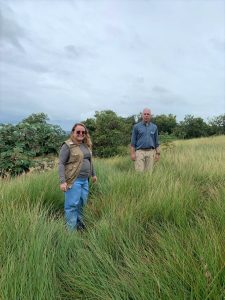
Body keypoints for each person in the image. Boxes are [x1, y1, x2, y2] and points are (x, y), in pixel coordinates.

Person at [58, 123, 97, 230]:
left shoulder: (85, 145)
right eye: (78, 132)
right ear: (73, 132)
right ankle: (71, 230)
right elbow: (61, 163)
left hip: (85, 181)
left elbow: (90, 160)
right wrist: (62, 181)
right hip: (73, 181)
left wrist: (93, 174)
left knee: (82, 204)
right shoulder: (67, 145)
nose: (81, 134)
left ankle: (80, 226)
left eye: (83, 132)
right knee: (72, 205)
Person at [130, 108, 160, 172]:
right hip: (140, 152)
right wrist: (132, 153)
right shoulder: (136, 127)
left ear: (150, 116)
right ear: (142, 115)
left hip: (151, 152)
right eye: (145, 114)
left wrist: (158, 154)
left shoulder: (154, 127)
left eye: (148, 114)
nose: (146, 115)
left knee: (149, 173)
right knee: (139, 172)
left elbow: (156, 142)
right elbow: (133, 142)